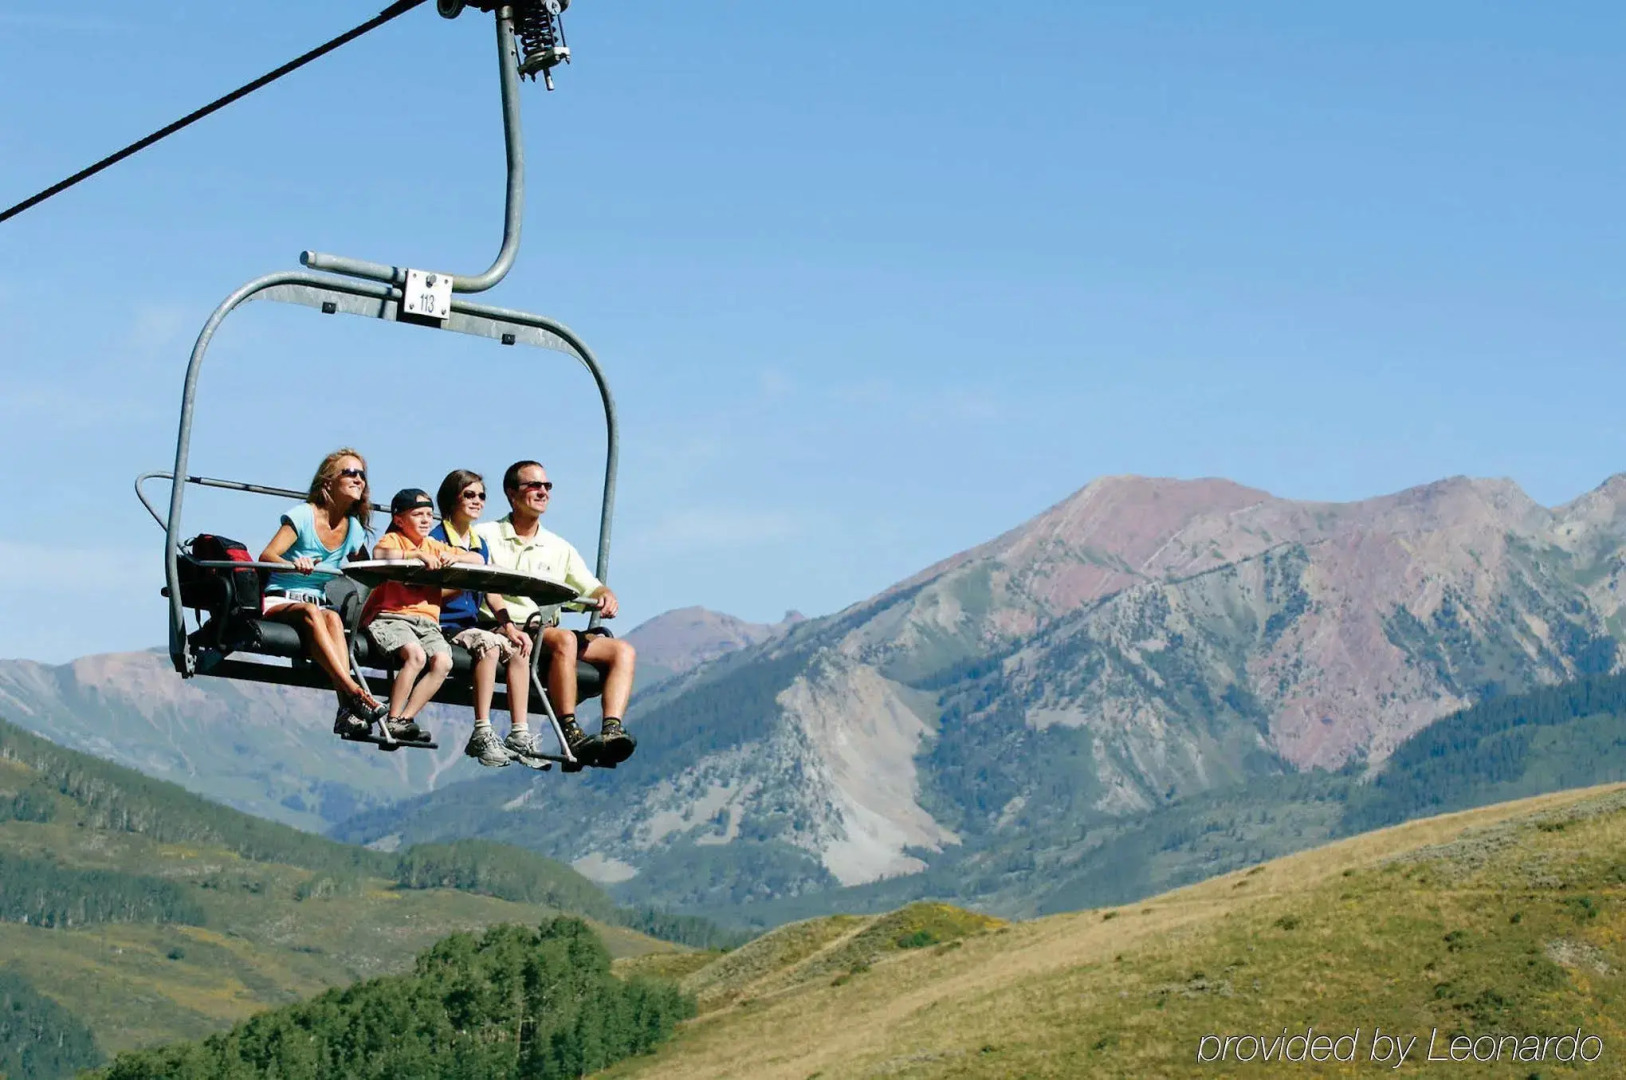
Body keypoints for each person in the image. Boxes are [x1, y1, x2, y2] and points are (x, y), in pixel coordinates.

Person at [476, 460, 638, 764]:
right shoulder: (485, 535)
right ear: (512, 494)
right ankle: (569, 729)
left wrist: (605, 595)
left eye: (546, 486)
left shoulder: (557, 547)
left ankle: (611, 728)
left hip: (545, 630)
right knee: (565, 640)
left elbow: (589, 586)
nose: (542, 492)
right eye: (533, 486)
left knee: (623, 651)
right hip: (507, 627)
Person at [259, 448, 387, 734]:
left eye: (362, 474)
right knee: (314, 613)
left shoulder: (352, 528)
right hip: (282, 599)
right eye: (350, 473)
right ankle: (355, 691)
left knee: (333, 619)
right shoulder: (303, 516)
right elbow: (267, 556)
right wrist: (293, 563)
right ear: (328, 481)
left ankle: (346, 707)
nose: (358, 479)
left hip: (317, 605)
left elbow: (368, 568)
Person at [430, 468, 545, 769]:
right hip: (444, 624)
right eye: (469, 494)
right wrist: (465, 581)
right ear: (452, 498)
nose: (477, 501)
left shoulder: (479, 542)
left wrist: (509, 626)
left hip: (470, 623)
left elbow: (491, 591)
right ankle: (482, 729)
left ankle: (519, 732)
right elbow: (428, 594)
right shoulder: (437, 539)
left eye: (482, 495)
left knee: (519, 647)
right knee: (490, 645)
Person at [357, 488, 468, 742]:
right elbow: (380, 554)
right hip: (392, 616)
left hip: (427, 622)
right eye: (418, 514)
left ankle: (406, 717)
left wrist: (454, 556)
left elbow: (477, 559)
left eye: (430, 514)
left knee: (443, 662)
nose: (426, 519)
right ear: (399, 519)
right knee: (416, 656)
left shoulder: (434, 545)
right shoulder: (393, 540)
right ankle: (394, 718)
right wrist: (415, 555)